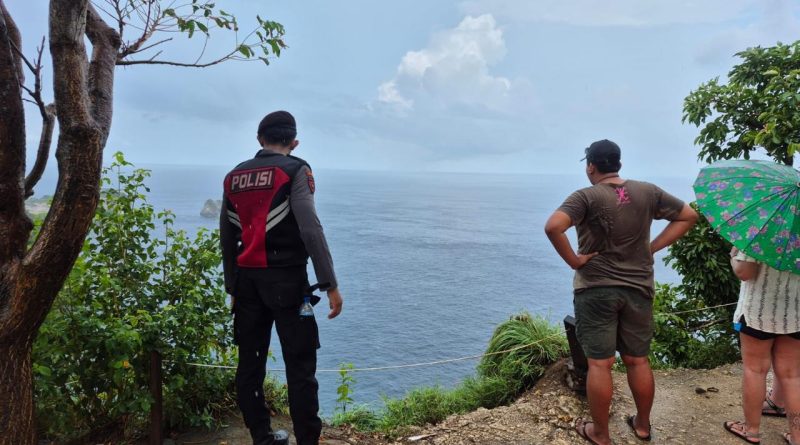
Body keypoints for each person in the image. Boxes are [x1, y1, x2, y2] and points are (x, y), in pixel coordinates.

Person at [544, 139, 697, 445]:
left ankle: (600, 434)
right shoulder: (647, 192)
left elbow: (553, 227)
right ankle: (642, 426)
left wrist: (575, 260)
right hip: (638, 287)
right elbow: (688, 216)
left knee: (600, 364)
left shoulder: (585, 196)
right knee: (638, 360)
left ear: (591, 167)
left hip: (596, 289)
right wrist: (651, 248)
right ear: (619, 164)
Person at [220, 110, 343, 445]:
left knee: (249, 365)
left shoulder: (234, 176)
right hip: (288, 283)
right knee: (300, 366)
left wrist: (232, 286)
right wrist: (329, 283)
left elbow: (227, 237)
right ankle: (307, 441)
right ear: (294, 142)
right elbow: (310, 228)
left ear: (260, 139)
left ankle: (262, 437)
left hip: (247, 284)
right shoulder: (296, 170)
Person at [723, 249, 800, 445]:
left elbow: (745, 272)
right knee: (792, 375)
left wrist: (734, 257)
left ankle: (751, 430)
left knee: (755, 370)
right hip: (796, 312)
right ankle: (797, 437)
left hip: (758, 312)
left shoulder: (761, 231)